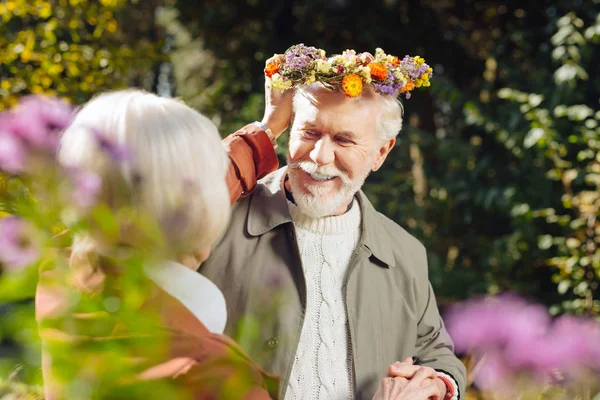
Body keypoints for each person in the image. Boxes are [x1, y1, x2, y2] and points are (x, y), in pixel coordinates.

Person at [198, 46, 466, 400]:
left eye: (344, 139)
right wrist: (266, 128)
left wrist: (436, 382)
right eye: (309, 132)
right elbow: (166, 209)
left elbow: (436, 351)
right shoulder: (219, 220)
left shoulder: (405, 253)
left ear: (380, 153)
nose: (320, 157)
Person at [35, 88, 293, 399]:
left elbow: (142, 194)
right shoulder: (214, 377)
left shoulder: (62, 275)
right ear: (195, 209)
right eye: (212, 178)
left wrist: (266, 129)